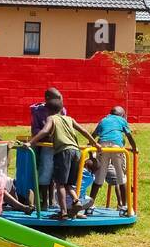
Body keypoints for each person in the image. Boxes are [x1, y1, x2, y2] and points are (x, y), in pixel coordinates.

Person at [24, 91, 99, 219]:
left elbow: (45, 131)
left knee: (60, 184)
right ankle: (77, 201)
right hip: (77, 152)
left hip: (64, 152)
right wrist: (96, 144)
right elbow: (83, 130)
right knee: (69, 184)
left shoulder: (51, 118)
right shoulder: (69, 118)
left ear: (48, 111)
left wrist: (30, 143)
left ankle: (63, 212)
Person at [89, 106, 138, 215]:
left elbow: (94, 134)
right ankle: (124, 207)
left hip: (103, 146)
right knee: (121, 177)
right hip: (117, 147)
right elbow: (129, 135)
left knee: (99, 177)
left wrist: (90, 144)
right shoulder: (122, 120)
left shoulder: (104, 120)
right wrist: (134, 148)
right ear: (122, 115)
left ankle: (90, 205)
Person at [28, 88, 65, 209]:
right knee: (45, 172)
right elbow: (36, 129)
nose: (60, 101)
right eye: (57, 98)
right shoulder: (38, 111)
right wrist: (46, 135)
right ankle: (44, 200)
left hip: (58, 146)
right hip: (45, 146)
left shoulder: (62, 110)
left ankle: (52, 199)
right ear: (48, 98)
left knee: (56, 172)